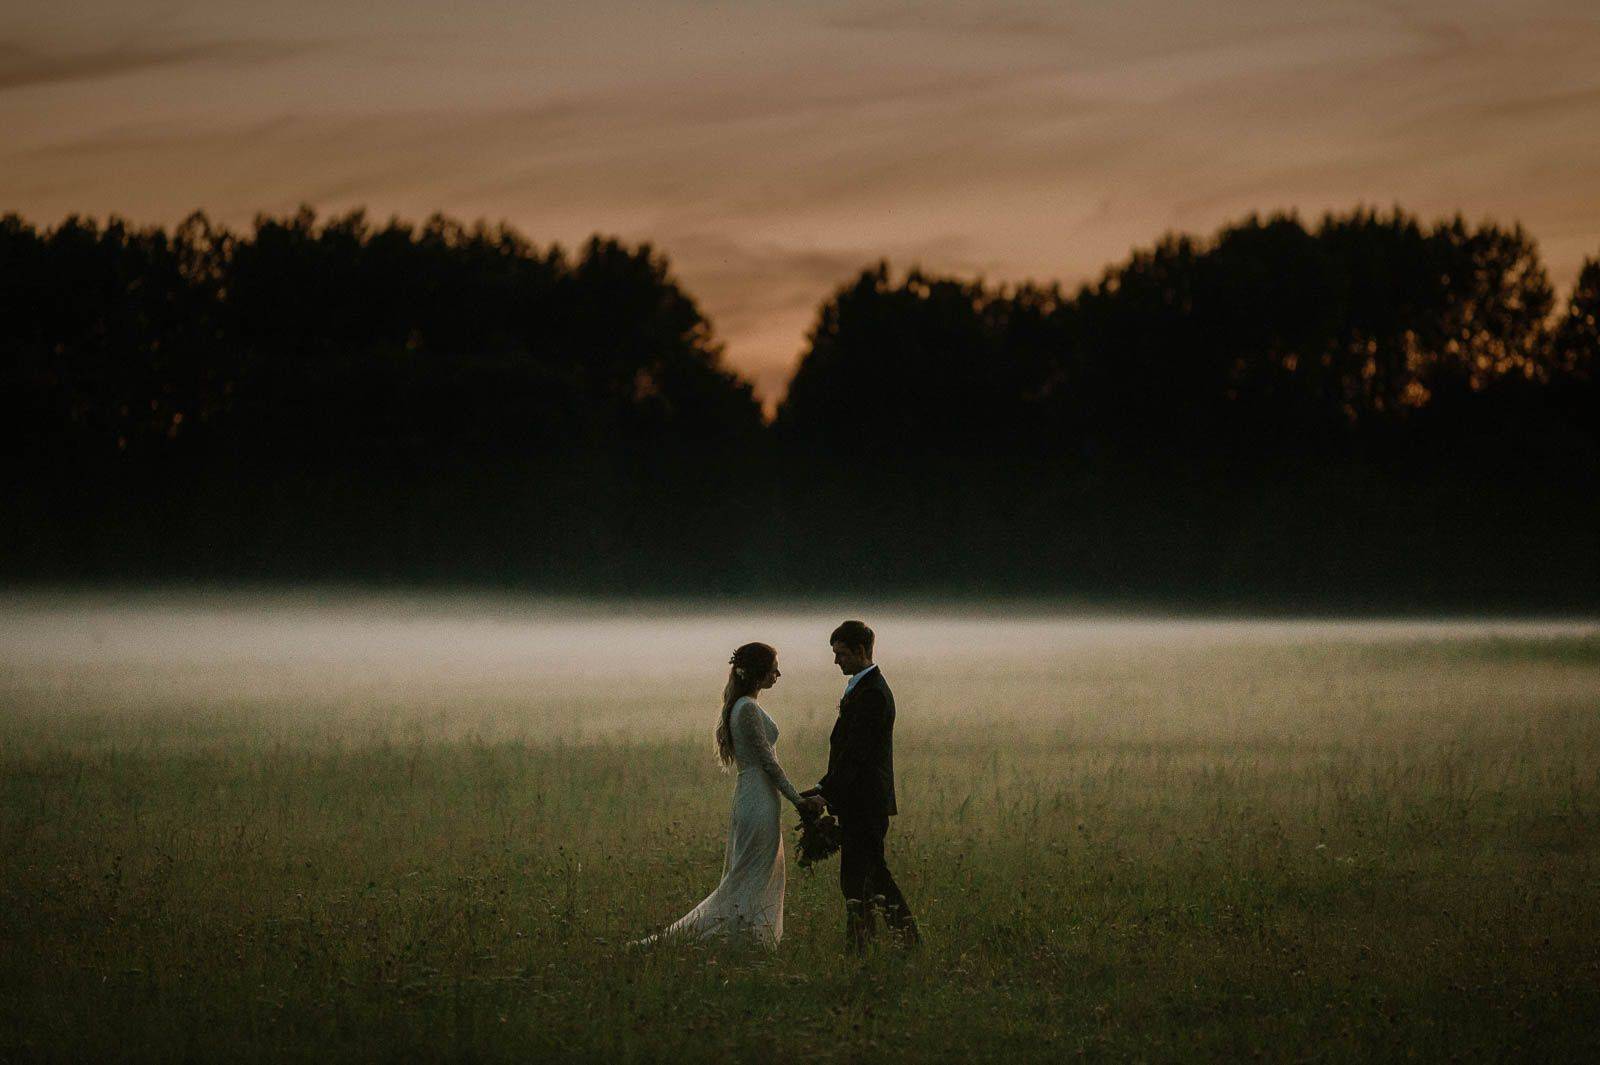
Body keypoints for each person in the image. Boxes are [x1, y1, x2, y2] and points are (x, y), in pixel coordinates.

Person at [635, 642, 805, 948]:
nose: (778, 673)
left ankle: (747, 935)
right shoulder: (748, 709)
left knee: (754, 870)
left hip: (757, 795)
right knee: (747, 873)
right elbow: (769, 763)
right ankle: (726, 936)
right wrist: (800, 801)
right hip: (758, 797)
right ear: (757, 672)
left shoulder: (743, 706)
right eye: (773, 667)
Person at [799, 620, 921, 951]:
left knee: (870, 876)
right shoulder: (863, 688)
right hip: (859, 801)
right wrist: (823, 786)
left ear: (860, 651)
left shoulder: (873, 695)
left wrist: (826, 794)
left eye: (840, 654)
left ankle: (902, 940)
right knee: (860, 877)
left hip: (865, 802)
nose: (836, 660)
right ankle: (863, 943)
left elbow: (856, 754)